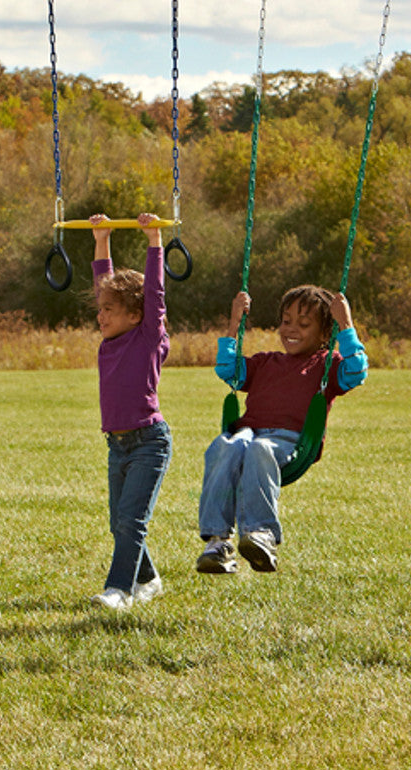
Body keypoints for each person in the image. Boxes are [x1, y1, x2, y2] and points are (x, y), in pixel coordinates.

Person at [197, 285, 367, 575]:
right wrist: (235, 321)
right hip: (248, 433)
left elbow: (357, 371)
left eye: (304, 324)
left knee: (260, 450)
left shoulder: (326, 365)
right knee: (224, 445)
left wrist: (346, 324)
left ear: (326, 333)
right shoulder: (266, 362)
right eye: (286, 321)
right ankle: (217, 542)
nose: (291, 329)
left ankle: (260, 533)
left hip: (290, 441)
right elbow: (229, 371)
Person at [89, 212, 173, 612]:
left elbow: (155, 295)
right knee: (118, 523)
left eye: (109, 310)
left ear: (135, 316)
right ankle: (149, 579)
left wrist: (154, 240)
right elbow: (103, 282)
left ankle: (118, 589)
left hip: (147, 443)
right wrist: (101, 240)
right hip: (117, 445)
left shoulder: (147, 339)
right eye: (100, 309)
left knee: (130, 522)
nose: (101, 315)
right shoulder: (109, 342)